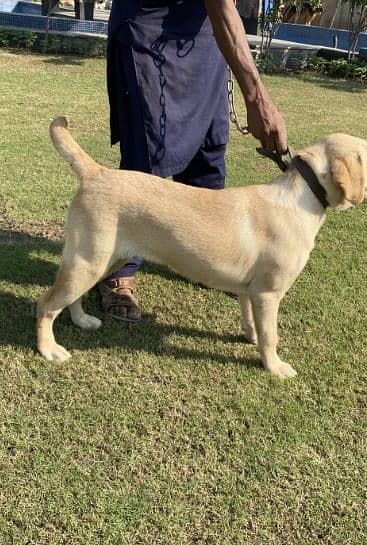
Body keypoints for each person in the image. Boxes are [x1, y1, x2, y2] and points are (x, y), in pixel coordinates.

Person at [100, 0, 288, 322]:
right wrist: (256, 98)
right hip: (150, 30)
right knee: (147, 162)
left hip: (205, 40)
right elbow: (221, 6)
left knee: (208, 156)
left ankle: (204, 260)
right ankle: (118, 270)